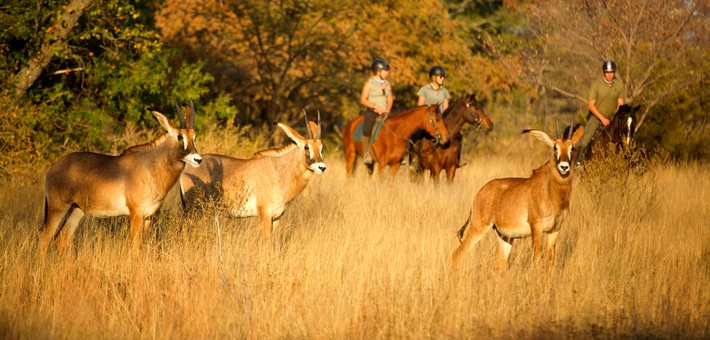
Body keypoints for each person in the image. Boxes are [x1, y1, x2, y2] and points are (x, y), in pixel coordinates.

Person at [575, 59, 626, 168]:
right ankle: (579, 162)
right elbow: (590, 105)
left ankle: (629, 160)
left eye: (611, 72)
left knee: (625, 134)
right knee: (586, 139)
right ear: (604, 73)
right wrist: (602, 119)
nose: (609, 75)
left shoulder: (619, 85)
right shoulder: (596, 85)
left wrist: (615, 118)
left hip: (612, 118)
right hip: (596, 118)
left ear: (614, 72)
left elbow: (620, 104)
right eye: (607, 72)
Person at [359, 58, 394, 165]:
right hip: (373, 112)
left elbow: (390, 98)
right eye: (385, 70)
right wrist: (376, 107)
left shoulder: (387, 84)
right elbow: (363, 99)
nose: (387, 73)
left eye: (387, 71)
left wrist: (388, 109)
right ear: (377, 71)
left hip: (385, 113)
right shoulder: (369, 83)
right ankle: (366, 153)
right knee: (367, 128)